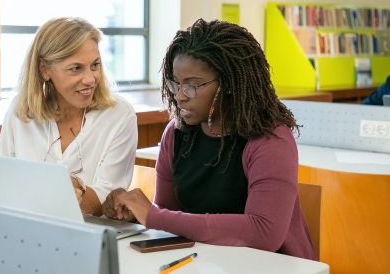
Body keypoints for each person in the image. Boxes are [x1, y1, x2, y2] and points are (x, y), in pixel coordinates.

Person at [102, 18, 317, 260]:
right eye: (175, 83)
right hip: (204, 261)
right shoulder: (176, 133)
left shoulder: (270, 139)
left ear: (229, 84)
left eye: (192, 85)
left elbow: (264, 232)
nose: (180, 96)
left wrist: (153, 216)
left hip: (271, 265)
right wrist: (136, 213)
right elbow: (169, 215)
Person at [0, 17, 138, 216]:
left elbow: (107, 198)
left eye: (95, 65)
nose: (90, 79)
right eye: (76, 68)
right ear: (45, 70)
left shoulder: (119, 115)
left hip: (91, 235)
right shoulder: (20, 111)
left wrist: (74, 190)